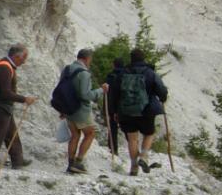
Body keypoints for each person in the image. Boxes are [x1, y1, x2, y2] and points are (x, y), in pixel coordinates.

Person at [0, 45, 35, 169]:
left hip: (3, 106)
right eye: (24, 57)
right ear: (16, 56)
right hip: (1, 106)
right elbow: (5, 92)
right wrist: (24, 99)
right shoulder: (4, 67)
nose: (24, 61)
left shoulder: (5, 65)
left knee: (11, 133)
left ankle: (18, 161)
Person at [117, 48, 169, 176]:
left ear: (131, 59)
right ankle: (143, 156)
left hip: (127, 110)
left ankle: (134, 167)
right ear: (143, 59)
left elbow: (116, 92)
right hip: (146, 110)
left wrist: (114, 110)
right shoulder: (150, 73)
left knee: (132, 138)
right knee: (149, 133)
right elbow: (161, 90)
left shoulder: (123, 73)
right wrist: (163, 98)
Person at [60, 48, 106, 175]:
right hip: (81, 110)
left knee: (75, 135)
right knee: (90, 133)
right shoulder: (84, 73)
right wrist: (101, 91)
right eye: (90, 59)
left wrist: (63, 108)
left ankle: (70, 163)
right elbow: (85, 95)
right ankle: (78, 162)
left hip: (68, 108)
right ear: (86, 59)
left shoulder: (67, 69)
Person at [104, 56, 126, 159]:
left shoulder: (110, 76)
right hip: (124, 106)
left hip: (111, 106)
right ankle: (133, 147)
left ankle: (113, 149)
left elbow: (107, 92)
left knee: (112, 128)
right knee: (128, 128)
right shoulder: (127, 75)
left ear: (114, 65)